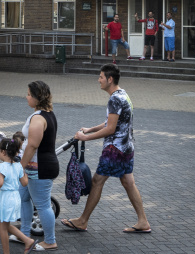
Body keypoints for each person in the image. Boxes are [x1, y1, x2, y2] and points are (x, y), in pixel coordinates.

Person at [60, 63, 151, 235]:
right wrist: (91, 129)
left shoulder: (114, 99)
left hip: (114, 149)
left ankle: (82, 221)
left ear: (110, 79)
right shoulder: (123, 94)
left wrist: (85, 137)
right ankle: (143, 221)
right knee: (128, 182)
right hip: (127, 147)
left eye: (101, 77)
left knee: (97, 182)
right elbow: (112, 122)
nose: (98, 80)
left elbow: (110, 129)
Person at [18, 80, 58, 251]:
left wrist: (20, 167)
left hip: (39, 169)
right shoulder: (46, 113)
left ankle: (50, 241)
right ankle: (24, 234)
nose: (26, 97)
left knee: (42, 205)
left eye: (28, 94)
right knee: (24, 198)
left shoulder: (39, 118)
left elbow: (32, 145)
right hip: (35, 167)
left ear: (36, 97)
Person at [0, 134, 35, 254]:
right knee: (4, 224)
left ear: (3, 152)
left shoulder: (2, 167)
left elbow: (0, 183)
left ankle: (7, 252)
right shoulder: (18, 166)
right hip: (16, 197)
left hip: (6, 198)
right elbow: (24, 183)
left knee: (3, 228)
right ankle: (27, 240)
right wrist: (24, 173)